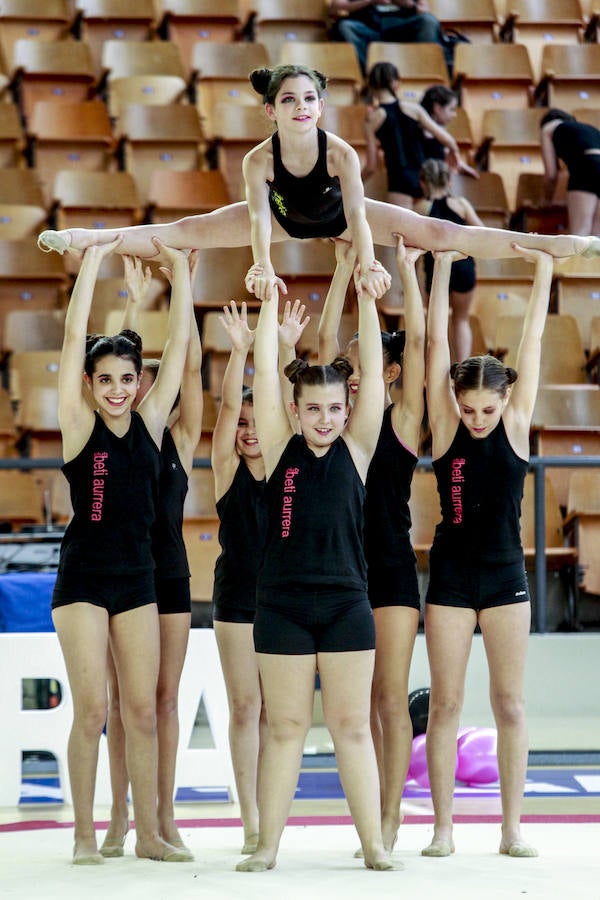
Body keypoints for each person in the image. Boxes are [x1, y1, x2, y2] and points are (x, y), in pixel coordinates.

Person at [37, 66, 600, 303]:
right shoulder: (260, 160)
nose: (301, 107)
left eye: (310, 98)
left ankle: (555, 245)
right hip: (282, 218)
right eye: (289, 100)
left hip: (335, 216)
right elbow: (259, 218)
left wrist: (367, 261)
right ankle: (88, 238)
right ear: (270, 111)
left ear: (321, 105)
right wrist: (261, 262)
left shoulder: (342, 152)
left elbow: (356, 214)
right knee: (184, 231)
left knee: (435, 229)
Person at [236, 256, 393, 873]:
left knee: (352, 727)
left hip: (348, 604)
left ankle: (375, 845)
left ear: (345, 410)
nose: (325, 418)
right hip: (281, 606)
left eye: (334, 408)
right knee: (286, 728)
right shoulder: (278, 448)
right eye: (314, 409)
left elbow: (375, 377)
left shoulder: (357, 449)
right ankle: (268, 845)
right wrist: (269, 300)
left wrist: (370, 300)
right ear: (296, 411)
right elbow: (269, 384)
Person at [51, 236, 193, 865]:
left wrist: (183, 276)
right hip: (82, 580)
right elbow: (72, 340)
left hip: (139, 580)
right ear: (90, 383)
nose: (115, 388)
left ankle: (149, 833)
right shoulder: (79, 426)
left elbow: (182, 350)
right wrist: (92, 268)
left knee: (141, 710)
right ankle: (85, 834)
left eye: (125, 379)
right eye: (103, 379)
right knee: (92, 710)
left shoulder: (150, 422)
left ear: (140, 384)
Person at [422, 242, 552, 859]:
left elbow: (532, 344)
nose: (478, 419)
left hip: (505, 576)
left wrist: (545, 266)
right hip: (450, 576)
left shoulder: (517, 422)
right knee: (445, 701)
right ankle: (444, 828)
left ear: (505, 402)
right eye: (469, 408)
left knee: (509, 702)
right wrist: (443, 268)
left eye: (488, 409)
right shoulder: (446, 427)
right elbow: (434, 352)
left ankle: (511, 829)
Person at [319, 236, 425, 855]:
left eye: (361, 371)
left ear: (388, 374)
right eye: (345, 372)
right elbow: (324, 347)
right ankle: (369, 812)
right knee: (352, 708)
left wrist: (408, 278)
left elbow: (425, 351)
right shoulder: (335, 421)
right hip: (339, 571)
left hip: (389, 569)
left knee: (390, 696)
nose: (348, 379)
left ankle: (389, 817)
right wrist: (343, 276)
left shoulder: (403, 419)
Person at [100, 253, 203, 861]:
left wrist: (183, 285)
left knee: (163, 700)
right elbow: (107, 354)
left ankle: (162, 815)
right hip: (120, 573)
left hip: (165, 573)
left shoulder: (179, 438)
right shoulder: (104, 432)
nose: (130, 389)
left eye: (138, 380)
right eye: (122, 381)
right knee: (120, 703)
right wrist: (134, 302)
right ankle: (119, 814)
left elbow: (185, 364)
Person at [210, 300, 267, 857]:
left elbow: (286, 408)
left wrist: (276, 352)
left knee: (279, 714)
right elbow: (229, 406)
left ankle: (269, 813)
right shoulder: (226, 470)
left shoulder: (285, 466)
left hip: (282, 602)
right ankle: (249, 818)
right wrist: (241, 351)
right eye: (243, 426)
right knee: (245, 708)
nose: (248, 431)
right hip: (234, 602)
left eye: (257, 424)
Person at [362, 62, 476, 209]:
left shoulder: (371, 120)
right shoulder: (413, 109)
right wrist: (456, 158)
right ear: (396, 84)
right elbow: (448, 140)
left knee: (400, 232)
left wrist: (353, 182)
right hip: (424, 179)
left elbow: (371, 167)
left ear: (371, 86)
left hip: (399, 181)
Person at [415, 158, 483, 362]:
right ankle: (462, 368)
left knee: (437, 324)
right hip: (463, 266)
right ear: (449, 181)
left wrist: (415, 280)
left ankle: (438, 370)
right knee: (461, 320)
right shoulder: (461, 204)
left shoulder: (421, 207)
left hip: (436, 269)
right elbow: (482, 232)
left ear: (423, 183)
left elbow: (414, 249)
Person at [328, 0, 445, 75]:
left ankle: (426, 73)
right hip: (368, 26)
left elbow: (424, 10)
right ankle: (372, 75)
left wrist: (405, 3)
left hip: (402, 26)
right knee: (345, 27)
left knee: (429, 21)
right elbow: (335, 8)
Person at [540, 108, 600, 236]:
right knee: (597, 236)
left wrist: (547, 199)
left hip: (586, 166)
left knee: (580, 233)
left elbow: (551, 174)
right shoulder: (589, 128)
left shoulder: (548, 128)